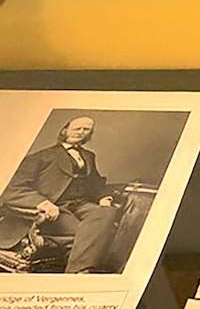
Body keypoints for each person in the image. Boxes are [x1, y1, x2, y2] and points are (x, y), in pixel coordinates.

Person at [1, 116, 118, 273]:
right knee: (88, 234)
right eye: (77, 128)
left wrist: (104, 197)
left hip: (81, 205)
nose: (81, 132)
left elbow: (96, 182)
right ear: (64, 130)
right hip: (56, 207)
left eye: (86, 129)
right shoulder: (40, 157)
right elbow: (12, 189)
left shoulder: (89, 156)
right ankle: (79, 272)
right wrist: (42, 203)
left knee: (107, 213)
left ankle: (74, 271)